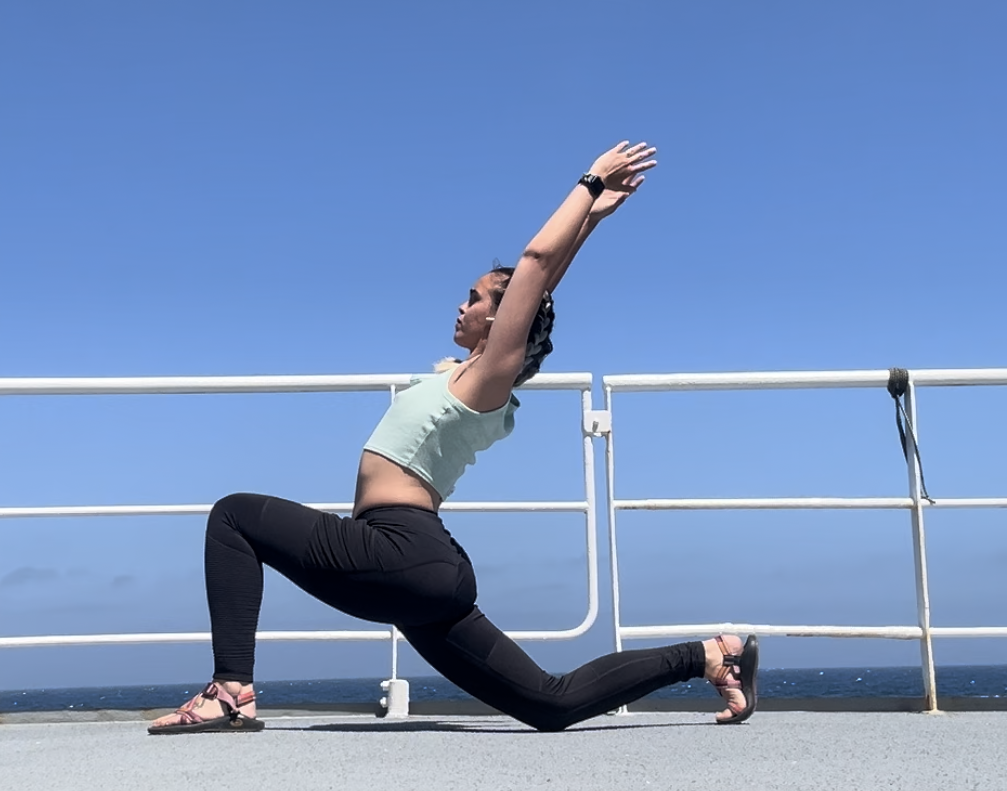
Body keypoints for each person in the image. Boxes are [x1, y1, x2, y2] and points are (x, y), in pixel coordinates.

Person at [149, 141, 758, 735]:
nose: (461, 305)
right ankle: (714, 654)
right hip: (424, 570)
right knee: (550, 703)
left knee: (233, 517)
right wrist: (592, 221)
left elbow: (536, 267)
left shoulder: (485, 380)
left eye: (475, 298)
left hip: (398, 551)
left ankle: (231, 691)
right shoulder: (467, 375)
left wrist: (589, 183)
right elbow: (542, 284)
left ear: (500, 320)